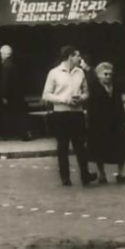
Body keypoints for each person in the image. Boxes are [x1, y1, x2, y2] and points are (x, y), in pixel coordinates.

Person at [42, 46, 93, 187]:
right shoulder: (54, 73)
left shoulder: (80, 72)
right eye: (77, 56)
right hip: (61, 113)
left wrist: (81, 98)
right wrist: (65, 100)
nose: (80, 58)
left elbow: (86, 92)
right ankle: (65, 177)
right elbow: (46, 95)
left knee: (80, 146)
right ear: (70, 57)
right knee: (63, 146)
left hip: (77, 113)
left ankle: (85, 175)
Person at [85, 62, 125, 184]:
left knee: (122, 147)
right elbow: (91, 106)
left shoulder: (115, 86)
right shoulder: (94, 88)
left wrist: (123, 117)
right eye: (105, 74)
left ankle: (121, 173)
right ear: (99, 76)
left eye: (110, 74)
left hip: (115, 120)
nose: (108, 76)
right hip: (99, 122)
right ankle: (102, 175)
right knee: (99, 148)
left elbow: (119, 102)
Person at [0, 44, 33, 140]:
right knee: (20, 114)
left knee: (16, 115)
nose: (0, 55)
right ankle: (25, 133)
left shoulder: (6, 65)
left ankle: (22, 134)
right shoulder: (13, 63)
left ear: (5, 54)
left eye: (1, 53)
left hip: (12, 96)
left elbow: (5, 82)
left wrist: (4, 96)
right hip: (18, 94)